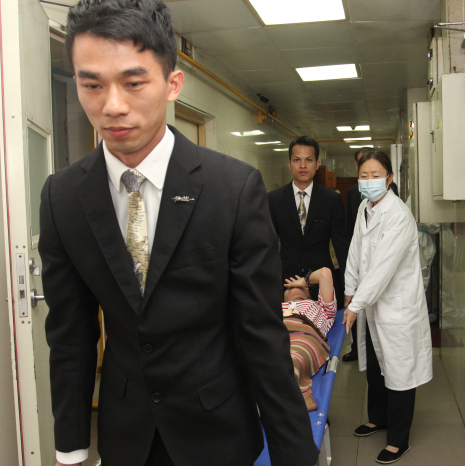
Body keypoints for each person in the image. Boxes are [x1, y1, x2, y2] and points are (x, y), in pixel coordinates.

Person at [40, 2, 319, 466]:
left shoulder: (232, 188)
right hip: (126, 433)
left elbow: (259, 331)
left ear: (172, 83)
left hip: (217, 428)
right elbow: (70, 333)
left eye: (133, 83)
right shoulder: (63, 196)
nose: (112, 105)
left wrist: (294, 453)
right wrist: (70, 447)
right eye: (92, 85)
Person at [342, 151, 433, 464]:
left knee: (399, 371)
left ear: (390, 178)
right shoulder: (364, 207)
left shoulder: (399, 215)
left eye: (376, 175)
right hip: (373, 305)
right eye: (364, 176)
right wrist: (349, 289)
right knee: (376, 367)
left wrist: (356, 304)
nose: (369, 181)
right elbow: (355, 251)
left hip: (396, 308)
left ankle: (398, 440)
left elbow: (383, 269)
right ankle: (378, 419)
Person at [268, 136, 349, 306]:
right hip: (286, 282)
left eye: (309, 160)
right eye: (297, 160)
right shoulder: (274, 199)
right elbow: (268, 246)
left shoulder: (331, 199)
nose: (303, 165)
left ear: (317, 164)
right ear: (289, 163)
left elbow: (341, 247)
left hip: (322, 284)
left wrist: (348, 287)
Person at [282, 268, 337, 411]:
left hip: (305, 336)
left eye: (300, 286)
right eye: (289, 287)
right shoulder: (273, 309)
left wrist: (305, 280)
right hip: (277, 335)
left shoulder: (321, 308)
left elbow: (325, 273)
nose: (295, 286)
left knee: (289, 361)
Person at [342, 147, 374, 362]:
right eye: (364, 172)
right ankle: (355, 347)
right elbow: (352, 233)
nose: (370, 180)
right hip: (360, 260)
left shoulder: (395, 208)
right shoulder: (357, 197)